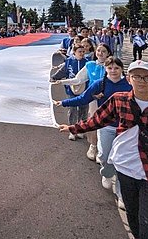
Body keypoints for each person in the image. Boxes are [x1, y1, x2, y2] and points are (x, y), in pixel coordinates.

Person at [58, 60, 148, 239]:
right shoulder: (119, 100)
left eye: (146, 77)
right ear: (129, 79)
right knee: (133, 216)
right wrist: (73, 127)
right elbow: (98, 120)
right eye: (136, 76)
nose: (141, 81)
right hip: (125, 170)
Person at [55, 57, 130, 206]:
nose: (113, 71)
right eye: (110, 68)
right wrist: (63, 102)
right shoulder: (100, 84)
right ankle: (107, 173)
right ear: (106, 69)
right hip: (106, 127)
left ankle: (122, 195)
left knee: (122, 161)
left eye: (116, 68)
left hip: (126, 129)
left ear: (122, 69)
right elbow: (83, 98)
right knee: (104, 156)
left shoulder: (129, 84)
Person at [54, 43, 112, 162]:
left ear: (109, 54)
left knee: (107, 124)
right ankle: (93, 146)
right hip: (93, 99)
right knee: (94, 121)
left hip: (109, 99)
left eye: (104, 51)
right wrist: (62, 82)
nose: (100, 53)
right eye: (99, 50)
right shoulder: (90, 65)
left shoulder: (112, 66)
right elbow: (78, 79)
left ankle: (103, 150)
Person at [50, 43, 89, 140]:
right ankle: (72, 130)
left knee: (83, 109)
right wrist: (54, 77)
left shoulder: (88, 63)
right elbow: (63, 71)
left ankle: (81, 129)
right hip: (71, 89)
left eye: (83, 51)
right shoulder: (69, 61)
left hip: (85, 89)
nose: (82, 53)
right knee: (72, 109)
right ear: (74, 52)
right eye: (79, 51)